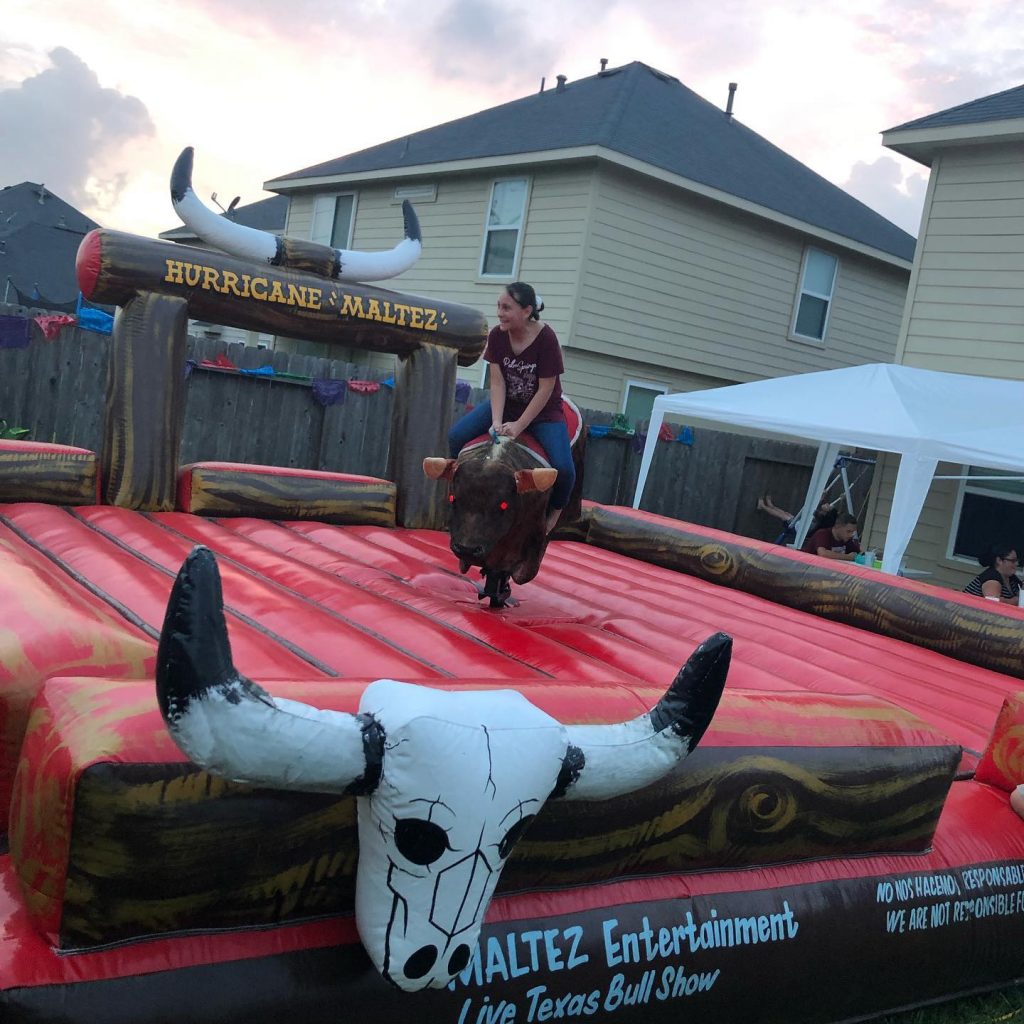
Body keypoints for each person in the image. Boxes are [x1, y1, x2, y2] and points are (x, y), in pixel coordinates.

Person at [448, 282, 574, 533]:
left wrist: (519, 426)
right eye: (498, 306)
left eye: (506, 308)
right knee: (455, 436)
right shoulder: (497, 336)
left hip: (543, 413)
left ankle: (554, 512)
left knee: (564, 469)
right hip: (507, 405)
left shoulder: (546, 339)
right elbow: (497, 382)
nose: (499, 313)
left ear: (526, 311)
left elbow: (546, 389)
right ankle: (460, 495)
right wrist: (496, 420)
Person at [757, 493, 837, 544]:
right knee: (785, 513)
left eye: (828, 507)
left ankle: (762, 506)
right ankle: (771, 506)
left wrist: (820, 499)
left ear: (826, 513)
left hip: (796, 529)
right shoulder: (820, 518)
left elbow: (811, 508)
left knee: (782, 515)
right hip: (800, 525)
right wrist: (821, 498)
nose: (828, 504)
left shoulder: (819, 518)